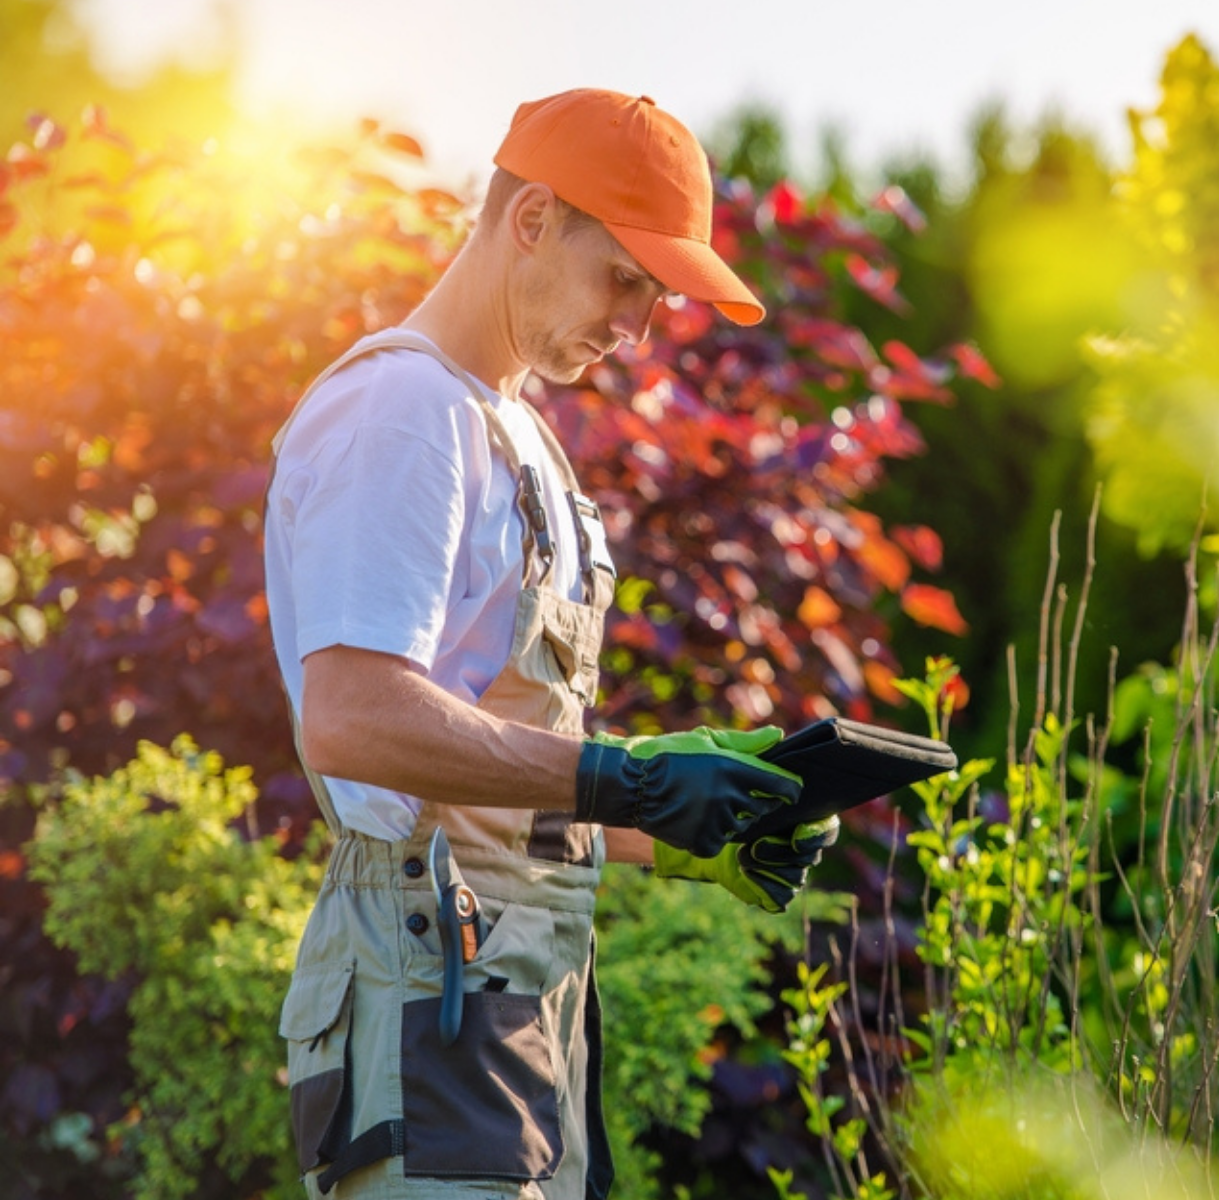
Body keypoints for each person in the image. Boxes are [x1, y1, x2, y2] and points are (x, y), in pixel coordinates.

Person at [265, 88, 835, 1200]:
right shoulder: (401, 413)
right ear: (531, 219)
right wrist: (619, 781)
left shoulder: (515, 432)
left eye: (656, 296)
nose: (637, 324)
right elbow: (350, 715)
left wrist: (674, 826)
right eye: (626, 278)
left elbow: (491, 762)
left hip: (519, 991)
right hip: (424, 982)